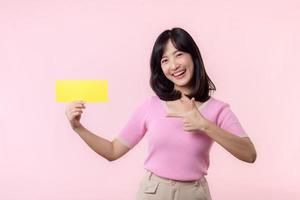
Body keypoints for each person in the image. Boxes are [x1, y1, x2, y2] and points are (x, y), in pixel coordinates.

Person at [65, 27, 257, 200]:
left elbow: (249, 154)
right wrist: (77, 127)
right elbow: (113, 151)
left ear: (193, 57)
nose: (173, 66)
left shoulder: (218, 109)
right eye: (165, 60)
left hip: (195, 195)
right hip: (152, 193)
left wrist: (205, 125)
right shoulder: (151, 106)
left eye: (179, 54)